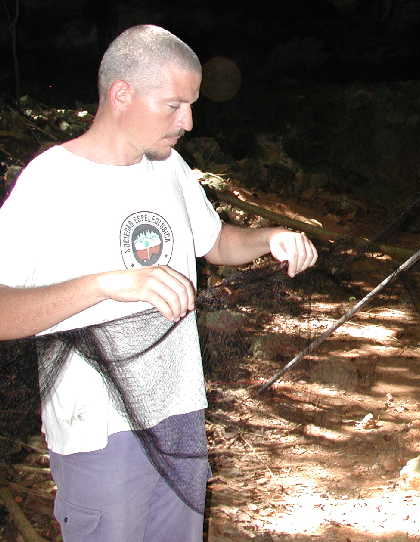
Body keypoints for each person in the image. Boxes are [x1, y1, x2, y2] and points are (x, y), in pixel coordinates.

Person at [0, 25, 317, 541]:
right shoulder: (51, 182)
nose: (188, 121)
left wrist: (271, 237)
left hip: (180, 411)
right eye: (174, 105)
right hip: (99, 430)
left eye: (191, 105)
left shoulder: (167, 167)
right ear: (121, 93)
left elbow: (215, 243)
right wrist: (105, 284)